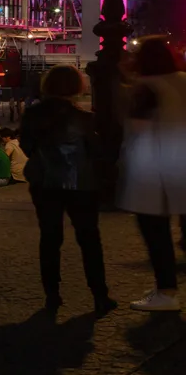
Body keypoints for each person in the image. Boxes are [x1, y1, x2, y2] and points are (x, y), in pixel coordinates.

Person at [20, 66, 114, 315]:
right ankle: (99, 294)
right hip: (81, 183)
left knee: (50, 238)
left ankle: (52, 294)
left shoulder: (32, 114)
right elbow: (96, 151)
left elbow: (27, 147)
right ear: (77, 86)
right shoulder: (84, 118)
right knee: (89, 239)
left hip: (44, 182)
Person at [118, 37, 186, 312]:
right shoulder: (183, 78)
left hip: (157, 166)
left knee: (155, 229)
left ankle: (167, 291)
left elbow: (138, 130)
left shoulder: (147, 88)